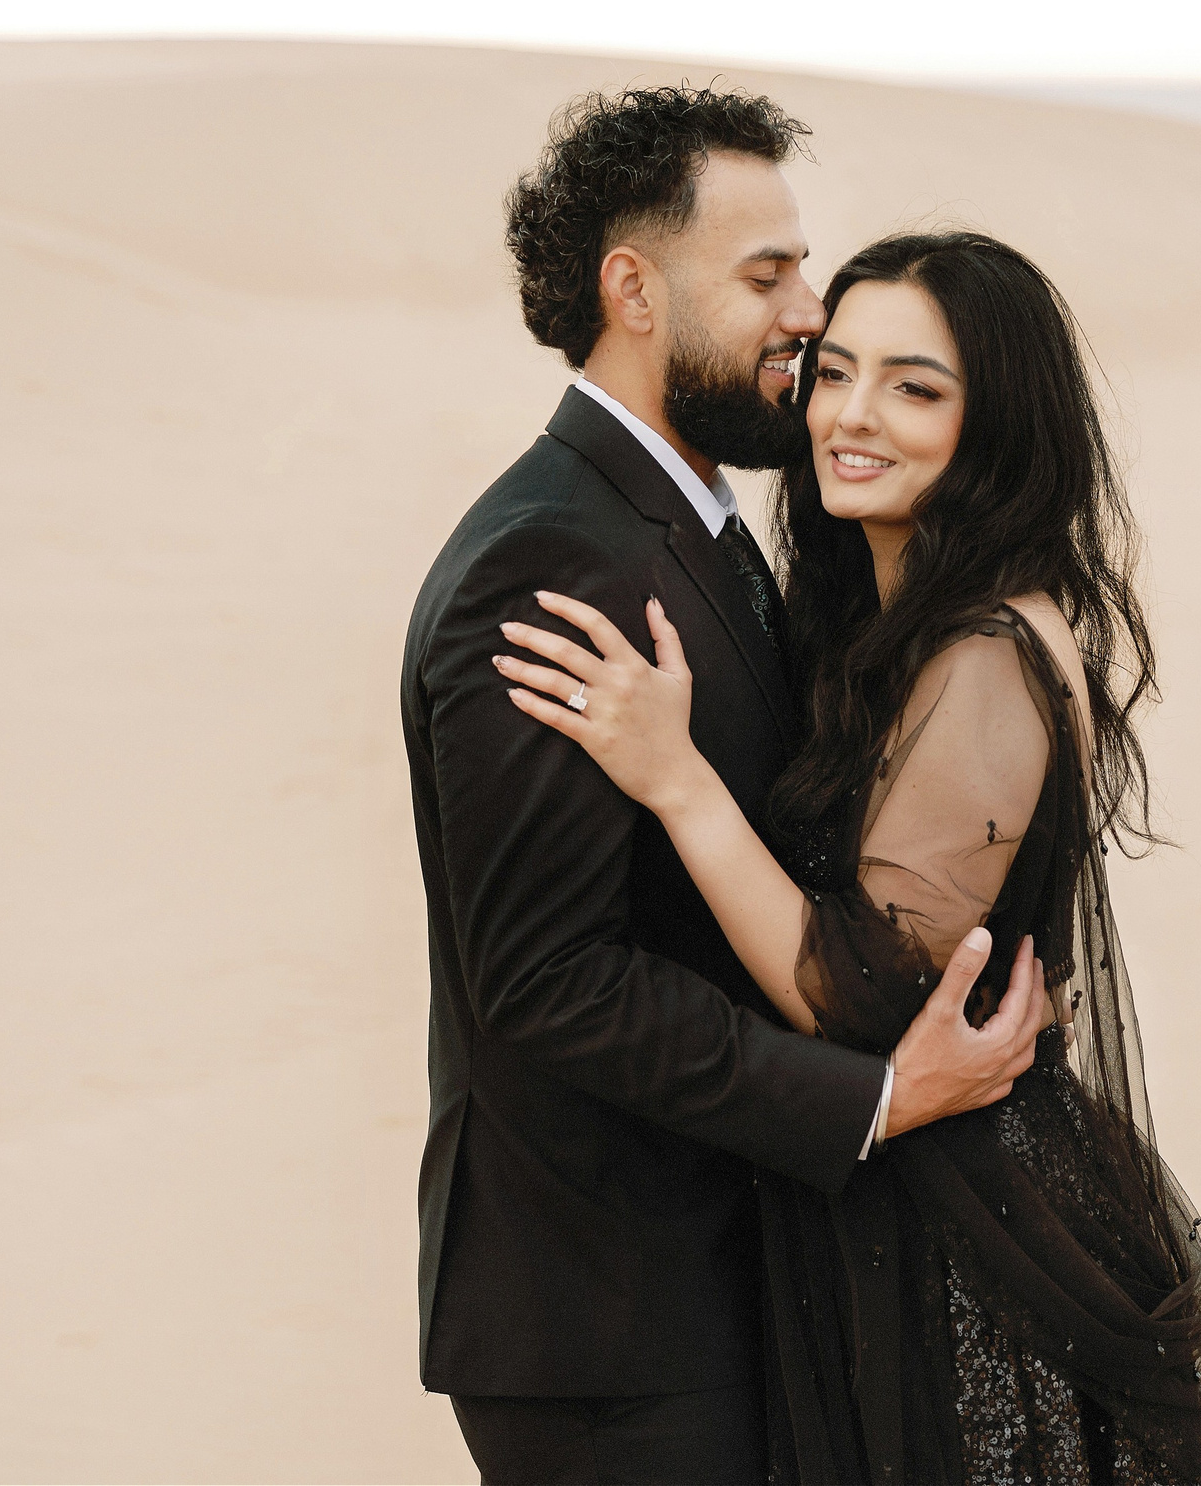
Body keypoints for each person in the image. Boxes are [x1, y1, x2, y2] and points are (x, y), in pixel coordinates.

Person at [501, 230, 1201, 1483]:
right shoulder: (889, 624)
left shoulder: (986, 653)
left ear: (996, 423)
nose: (852, 417)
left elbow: (859, 990)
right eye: (834, 371)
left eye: (915, 388)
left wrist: (676, 780)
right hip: (899, 1215)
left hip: (972, 1254)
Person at [402, 91, 1049, 1485]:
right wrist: (872, 1097)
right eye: (767, 275)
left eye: (802, 268)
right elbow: (550, 979)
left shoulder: (693, 516)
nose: (805, 311)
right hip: (610, 1325)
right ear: (632, 290)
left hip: (708, 1281)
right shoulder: (552, 561)